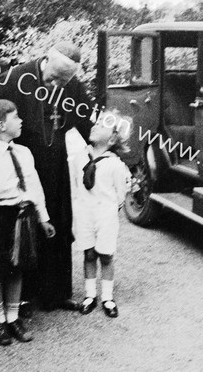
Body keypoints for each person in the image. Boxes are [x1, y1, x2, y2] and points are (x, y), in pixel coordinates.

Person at [0, 41, 93, 312]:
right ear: (46, 62)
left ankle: (55, 293)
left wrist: (97, 150)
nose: (59, 85)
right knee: (17, 229)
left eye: (65, 80)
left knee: (54, 225)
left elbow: (86, 121)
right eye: (55, 78)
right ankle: (17, 297)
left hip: (56, 169)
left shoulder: (71, 86)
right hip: (18, 169)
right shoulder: (18, 77)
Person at [0, 99, 55, 346]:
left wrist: (43, 218)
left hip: (23, 216)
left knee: (18, 267)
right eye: (16, 117)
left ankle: (13, 318)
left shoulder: (24, 153)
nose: (21, 121)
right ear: (1, 125)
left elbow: (35, 187)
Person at [71, 110, 131, 318]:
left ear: (113, 137)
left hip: (105, 216)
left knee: (105, 255)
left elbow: (120, 195)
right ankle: (90, 295)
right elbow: (75, 186)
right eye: (95, 123)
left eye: (102, 125)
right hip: (84, 213)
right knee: (88, 253)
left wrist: (110, 214)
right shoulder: (80, 157)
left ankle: (107, 297)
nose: (95, 126)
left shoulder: (115, 165)